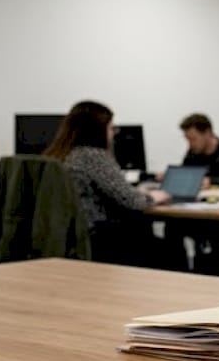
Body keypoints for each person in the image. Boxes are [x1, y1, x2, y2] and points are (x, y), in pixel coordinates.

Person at [45, 101, 171, 265]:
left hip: (68, 239)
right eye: (112, 128)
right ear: (97, 130)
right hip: (99, 239)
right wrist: (154, 197)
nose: (113, 134)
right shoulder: (92, 156)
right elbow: (132, 201)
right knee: (170, 249)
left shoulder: (57, 155)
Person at [179, 113, 219, 181]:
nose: (190, 144)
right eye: (187, 139)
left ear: (207, 133)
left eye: (193, 139)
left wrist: (211, 181)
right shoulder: (193, 152)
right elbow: (184, 174)